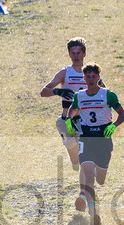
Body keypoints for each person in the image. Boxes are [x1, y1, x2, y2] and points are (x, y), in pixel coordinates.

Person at [66, 63, 124, 225]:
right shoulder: (80, 96)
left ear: (98, 78)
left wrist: (113, 125)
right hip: (86, 138)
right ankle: (93, 213)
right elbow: (72, 111)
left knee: (100, 180)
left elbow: (123, 114)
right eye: (88, 77)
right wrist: (70, 122)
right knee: (87, 174)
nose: (91, 80)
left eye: (94, 77)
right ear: (84, 78)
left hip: (103, 139)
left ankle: (94, 175)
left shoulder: (108, 95)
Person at [40, 37, 99, 170]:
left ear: (84, 53)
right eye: (73, 53)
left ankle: (88, 183)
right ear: (69, 55)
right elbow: (44, 91)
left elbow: (105, 93)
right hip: (66, 120)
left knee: (85, 157)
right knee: (74, 155)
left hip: (84, 121)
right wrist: (58, 92)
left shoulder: (90, 73)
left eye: (79, 53)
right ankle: (77, 164)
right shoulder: (65, 72)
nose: (76, 56)